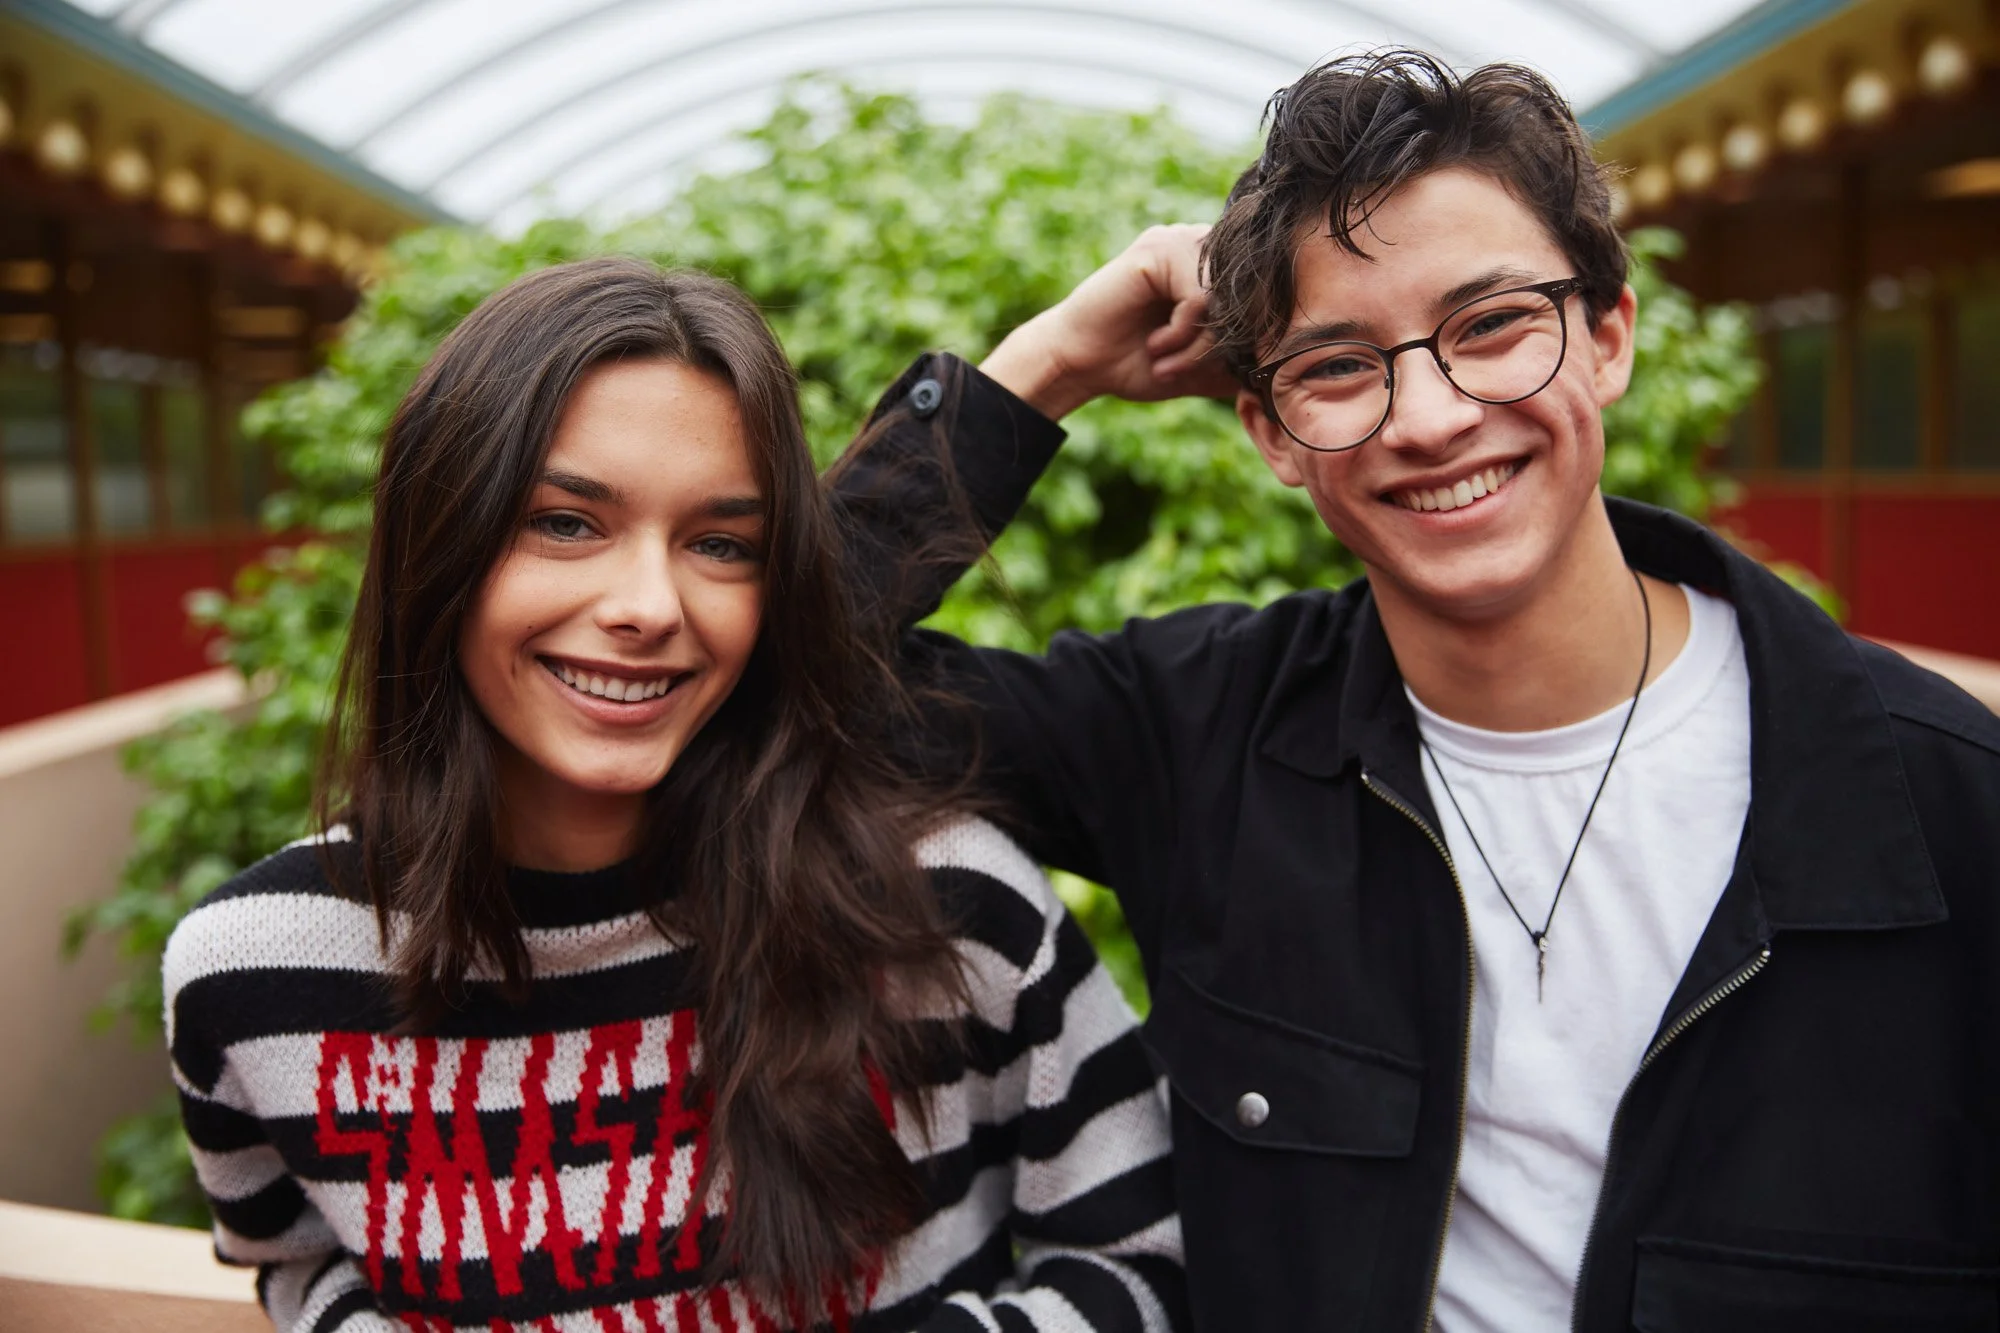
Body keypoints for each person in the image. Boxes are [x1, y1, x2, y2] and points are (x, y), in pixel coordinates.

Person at [830, 50, 2000, 1332]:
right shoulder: (1197, 733)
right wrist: (1041, 366)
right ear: (1269, 433)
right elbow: (780, 683)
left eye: (1491, 327)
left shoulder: (1934, 797)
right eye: (1336, 367)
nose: (1430, 417)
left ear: (1606, 337)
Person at [162, 259, 1186, 1333]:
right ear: (438, 545)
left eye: (719, 544)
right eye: (566, 522)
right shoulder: (253, 972)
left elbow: (1138, 1256)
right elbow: (299, 1260)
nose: (649, 606)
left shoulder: (944, 898)